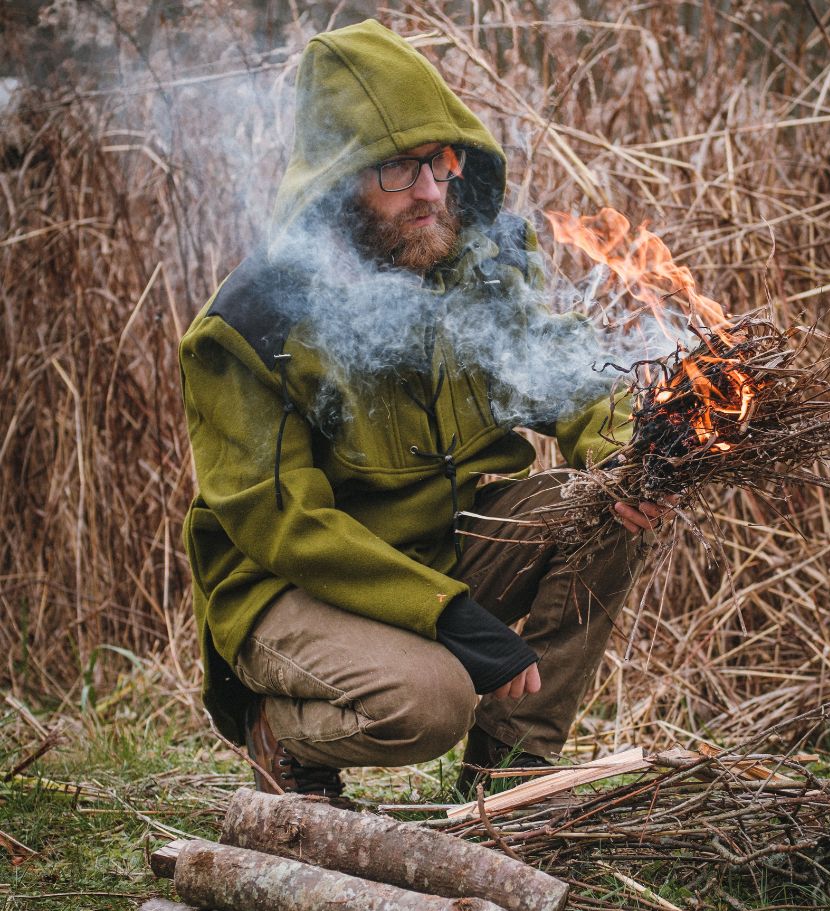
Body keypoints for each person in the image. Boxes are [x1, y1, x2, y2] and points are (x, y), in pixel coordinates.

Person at [179, 20, 671, 803]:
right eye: (399, 172)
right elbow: (285, 528)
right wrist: (451, 620)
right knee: (431, 701)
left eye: (441, 164)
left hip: (444, 553)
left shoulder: (475, 262)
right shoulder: (253, 327)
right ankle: (281, 734)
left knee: (602, 506)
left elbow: (559, 368)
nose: (433, 194)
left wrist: (625, 455)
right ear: (338, 183)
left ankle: (510, 779)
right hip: (299, 589)